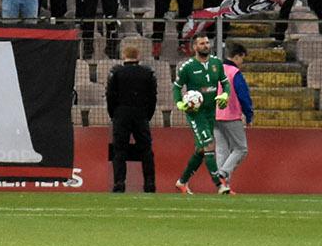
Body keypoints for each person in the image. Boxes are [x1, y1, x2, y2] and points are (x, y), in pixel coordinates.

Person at [170, 32, 227, 195]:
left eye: (207, 43)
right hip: (196, 113)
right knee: (209, 144)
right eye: (202, 44)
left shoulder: (216, 63)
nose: (205, 46)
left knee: (201, 150)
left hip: (211, 112)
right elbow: (176, 87)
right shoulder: (187, 67)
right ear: (194, 47)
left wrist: (225, 94)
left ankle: (182, 182)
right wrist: (180, 102)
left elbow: (225, 82)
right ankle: (220, 185)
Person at [105, 39, 159, 193]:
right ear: (138, 56)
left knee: (119, 150)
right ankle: (149, 183)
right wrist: (147, 115)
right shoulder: (147, 73)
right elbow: (152, 96)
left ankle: (119, 183)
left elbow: (110, 95)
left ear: (124, 55)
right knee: (146, 150)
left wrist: (113, 113)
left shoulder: (116, 72)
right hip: (141, 113)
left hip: (121, 113)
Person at [212, 39, 254, 195]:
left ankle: (224, 187)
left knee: (222, 149)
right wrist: (249, 114)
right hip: (230, 114)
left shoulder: (216, 70)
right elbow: (243, 95)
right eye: (242, 58)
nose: (242, 62)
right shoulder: (234, 73)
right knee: (241, 148)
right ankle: (223, 173)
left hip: (215, 114)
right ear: (237, 56)